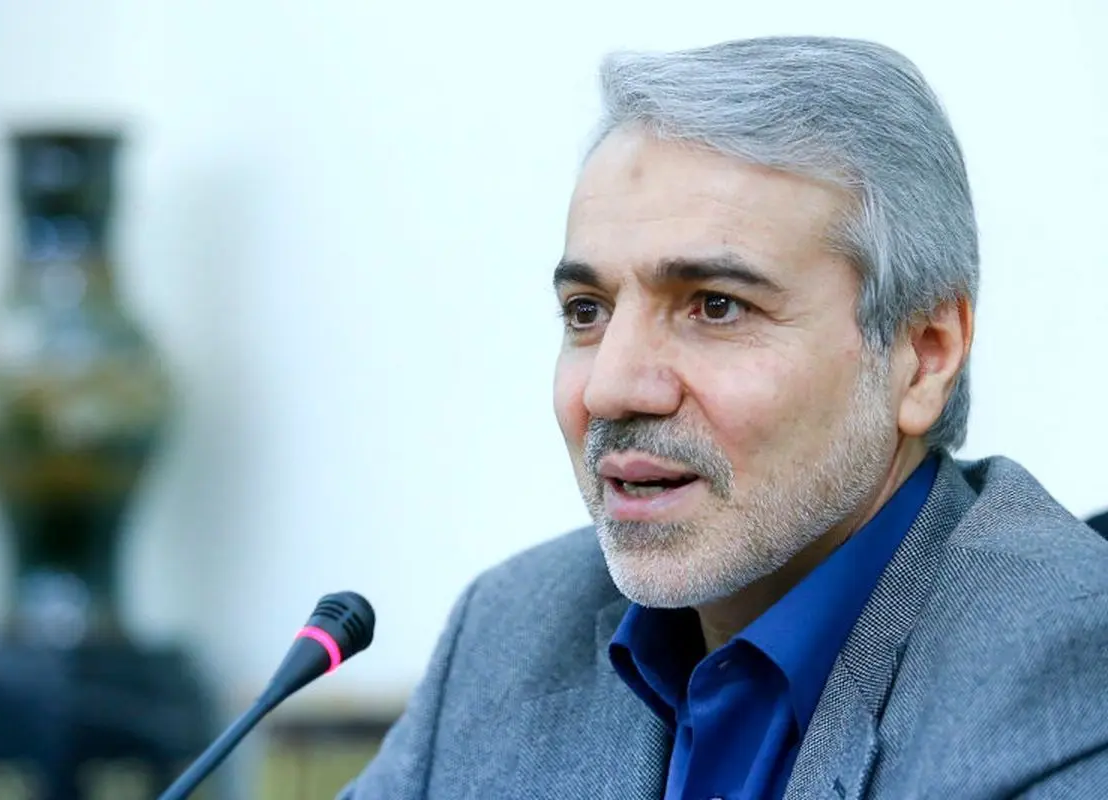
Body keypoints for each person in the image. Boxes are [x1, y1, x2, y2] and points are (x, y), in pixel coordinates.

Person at [341, 36, 1108, 799]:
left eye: (715, 306)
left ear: (924, 355)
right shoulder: (508, 632)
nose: (611, 389)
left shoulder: (1065, 669)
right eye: (587, 311)